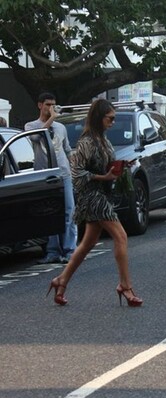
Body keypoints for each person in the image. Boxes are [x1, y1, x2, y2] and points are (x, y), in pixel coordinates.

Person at [48, 99, 142, 307]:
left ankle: (61, 280)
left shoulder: (103, 139)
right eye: (110, 118)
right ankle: (125, 286)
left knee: (88, 243)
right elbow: (77, 172)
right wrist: (103, 178)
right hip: (92, 196)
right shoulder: (87, 142)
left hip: (102, 194)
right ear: (99, 117)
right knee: (121, 236)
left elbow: (105, 166)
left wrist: (121, 166)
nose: (113, 122)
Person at [25, 92, 77, 264]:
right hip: (44, 176)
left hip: (63, 174)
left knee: (69, 211)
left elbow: (67, 149)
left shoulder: (61, 127)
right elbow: (35, 137)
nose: (51, 108)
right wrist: (51, 119)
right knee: (49, 214)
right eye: (47, 104)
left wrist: (73, 169)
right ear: (40, 105)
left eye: (53, 104)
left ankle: (70, 250)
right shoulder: (31, 125)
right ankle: (53, 250)